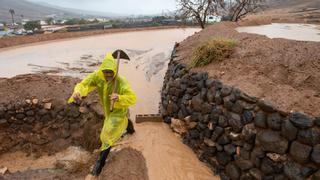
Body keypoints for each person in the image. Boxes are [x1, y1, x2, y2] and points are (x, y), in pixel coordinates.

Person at [68, 52, 137, 176]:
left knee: (106, 135)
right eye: (106, 72)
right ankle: (130, 129)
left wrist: (119, 97)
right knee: (121, 124)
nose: (108, 75)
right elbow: (84, 84)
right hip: (107, 110)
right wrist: (78, 91)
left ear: (114, 71)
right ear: (102, 71)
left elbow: (132, 97)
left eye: (111, 72)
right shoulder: (97, 77)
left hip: (118, 111)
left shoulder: (121, 82)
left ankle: (100, 163)